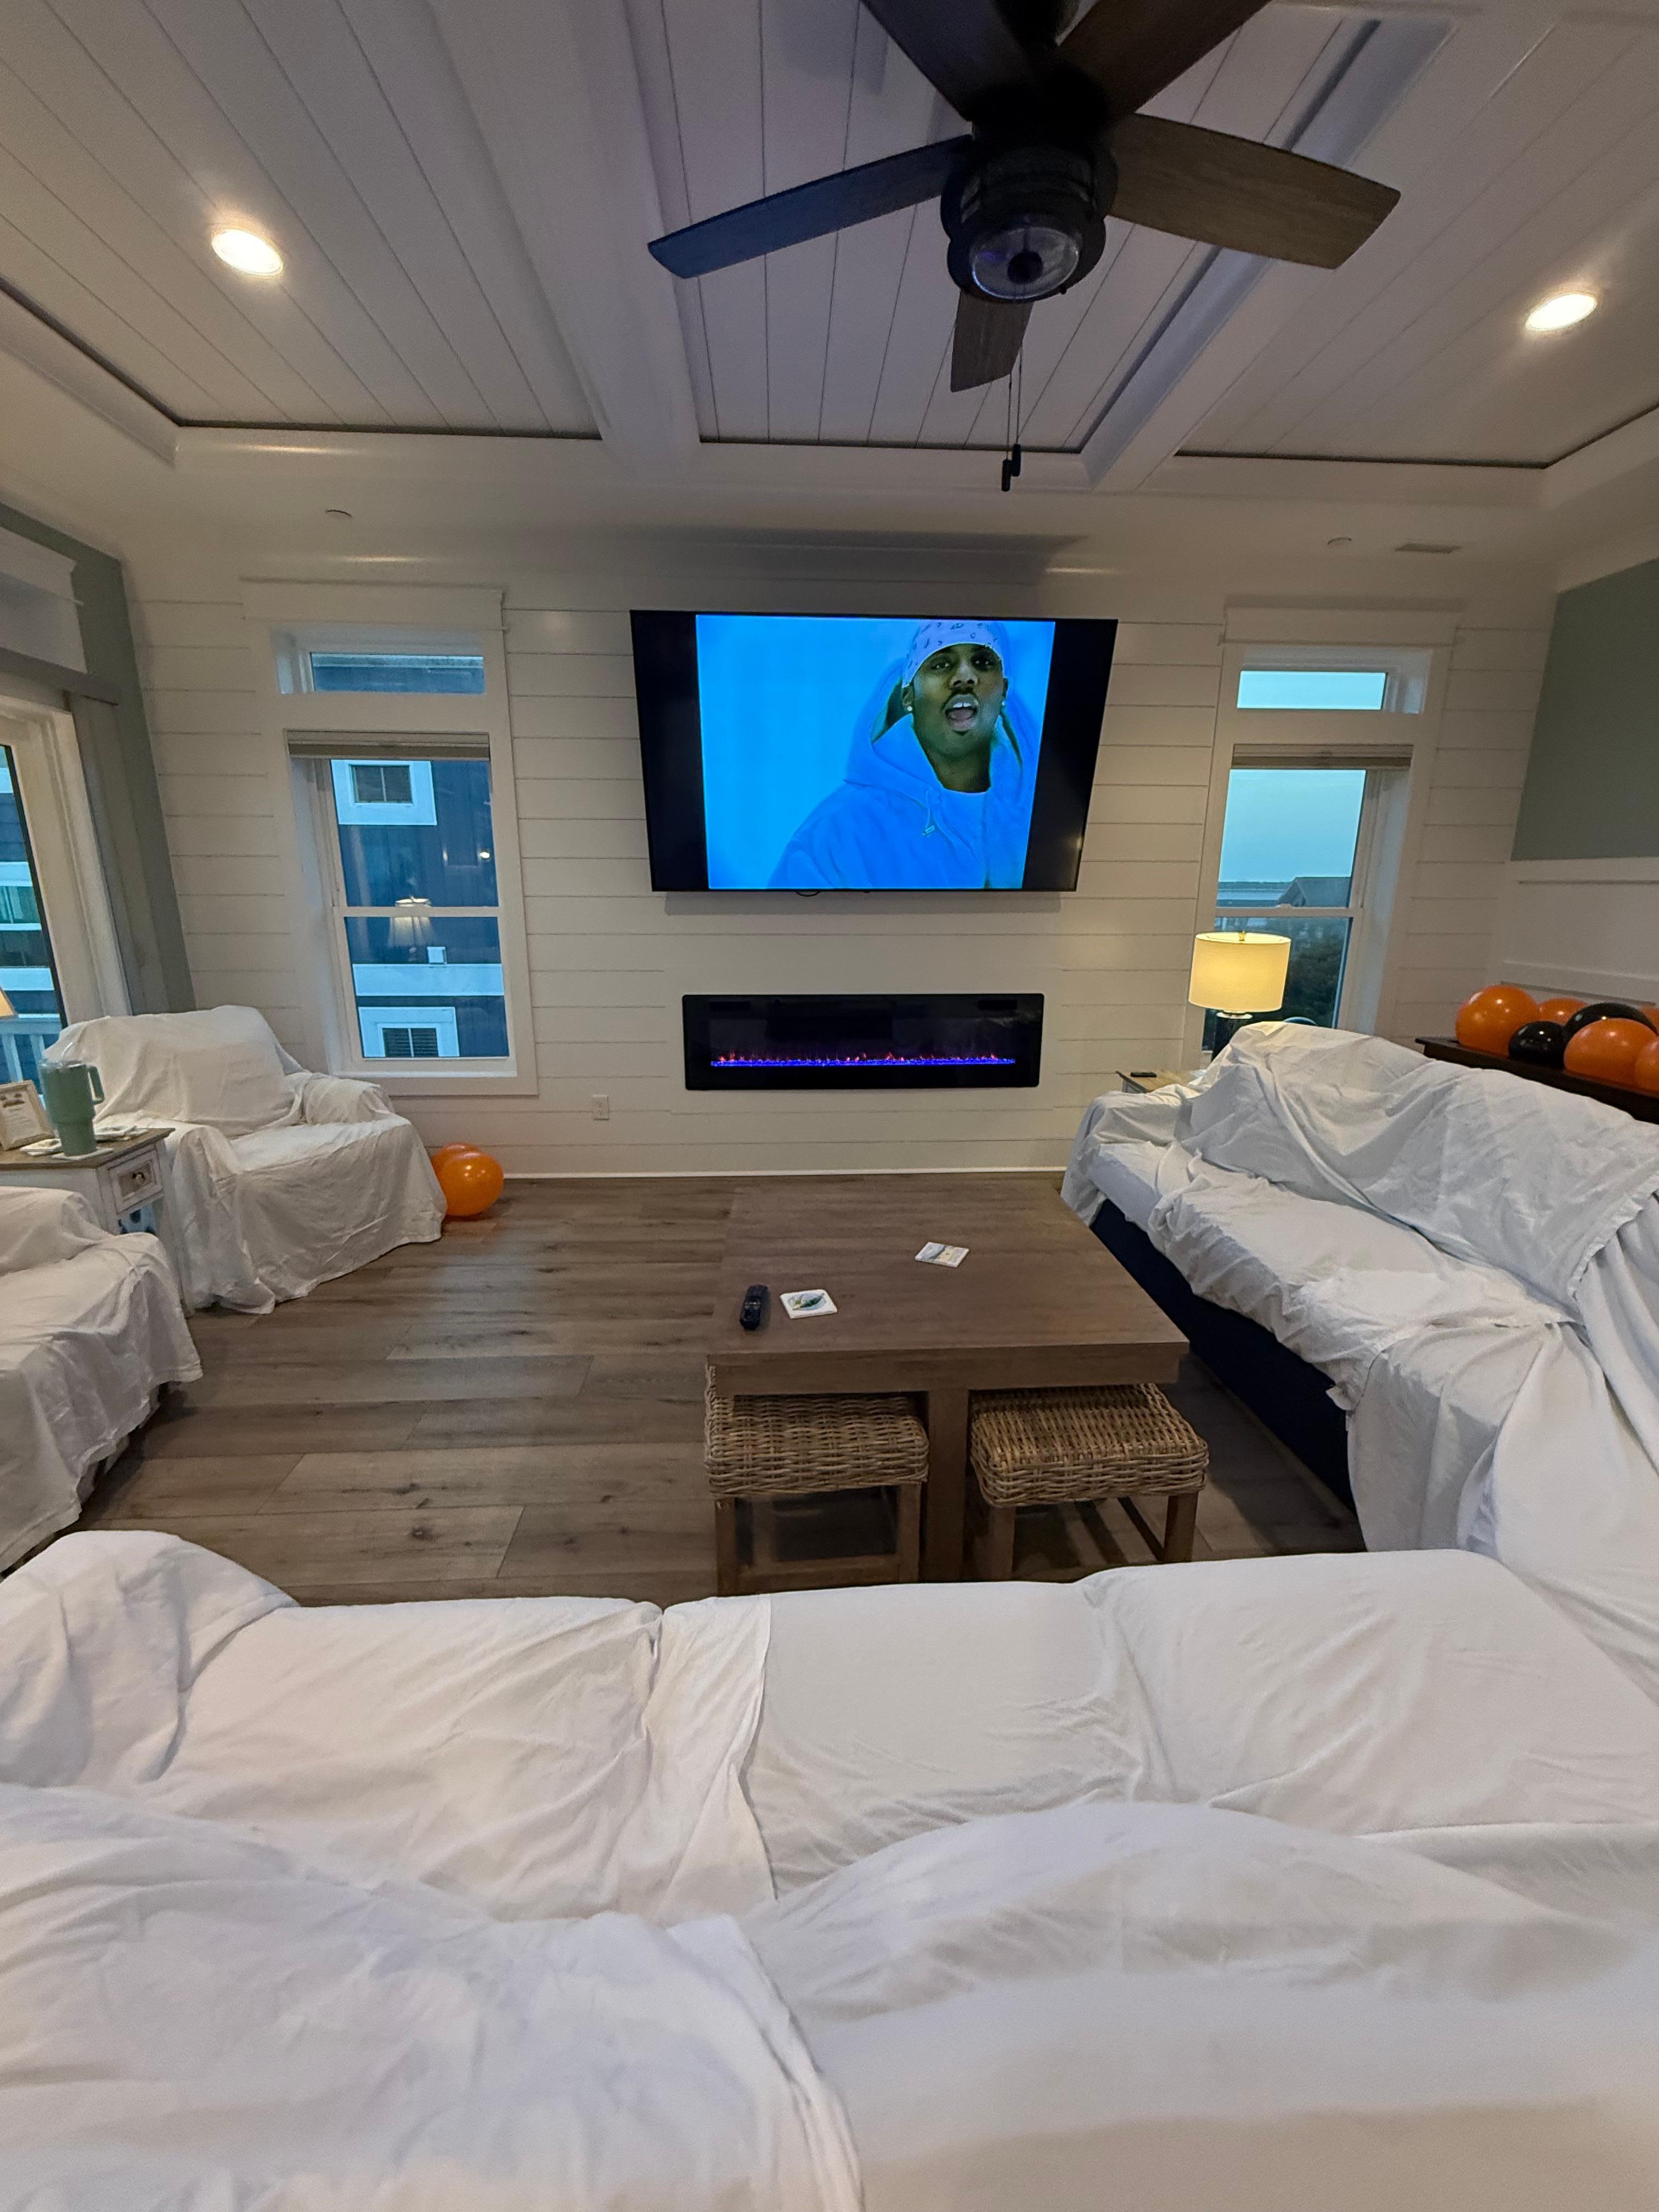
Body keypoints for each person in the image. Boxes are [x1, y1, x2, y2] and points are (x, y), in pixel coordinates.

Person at [769, 619, 1037, 890]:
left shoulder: (1041, 813)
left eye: (982, 662)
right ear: (909, 695)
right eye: (942, 664)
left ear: (1004, 689)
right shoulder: (839, 831)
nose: (965, 677)